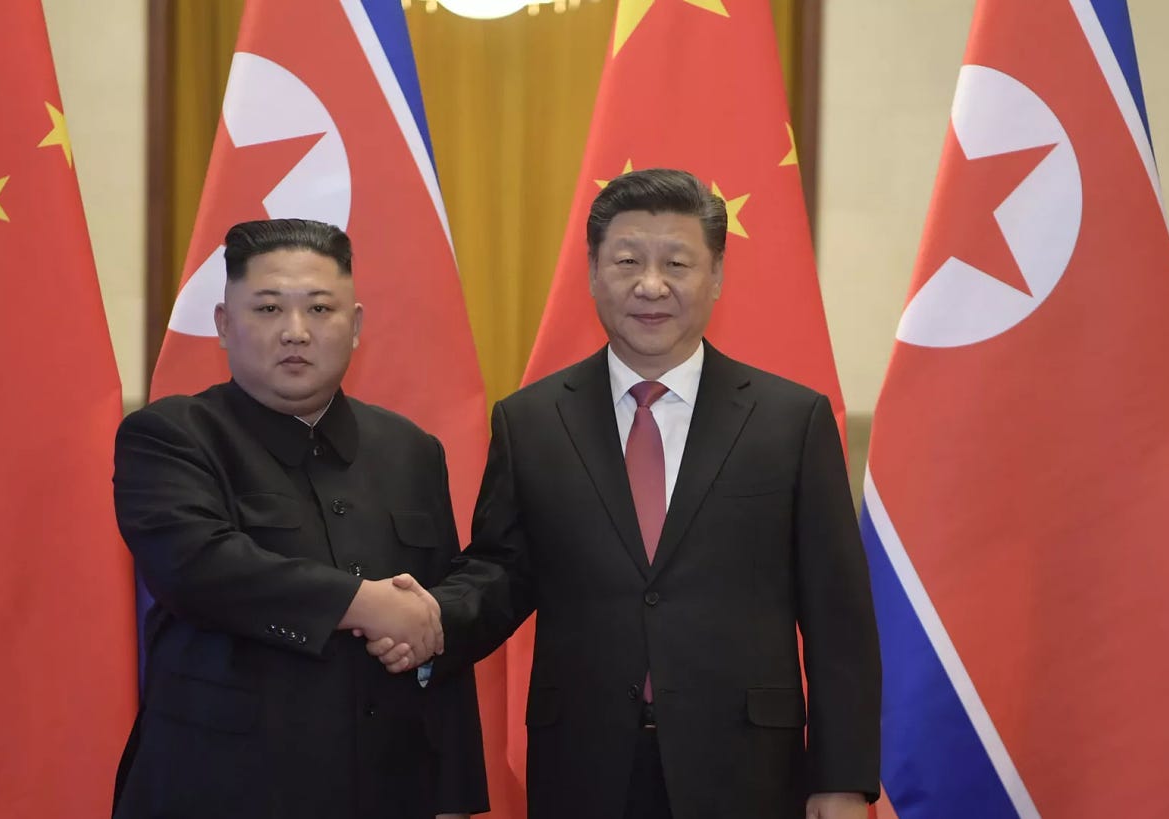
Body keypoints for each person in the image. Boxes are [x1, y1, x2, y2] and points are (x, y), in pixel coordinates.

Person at [376, 169, 880, 818]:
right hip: (583, 764)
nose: (651, 284)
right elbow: (503, 571)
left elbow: (839, 615)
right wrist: (433, 618)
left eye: (677, 262)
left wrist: (842, 778)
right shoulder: (530, 421)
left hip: (747, 767)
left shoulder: (791, 420)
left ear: (717, 276)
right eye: (627, 261)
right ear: (592, 272)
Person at [111, 218, 488, 819]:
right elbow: (197, 568)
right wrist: (362, 603)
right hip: (218, 787)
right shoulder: (170, 436)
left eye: (319, 308)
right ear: (224, 325)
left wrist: (454, 797)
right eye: (266, 308)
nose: (295, 332)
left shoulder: (411, 449)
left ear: (356, 326)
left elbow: (429, 622)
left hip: (389, 789)